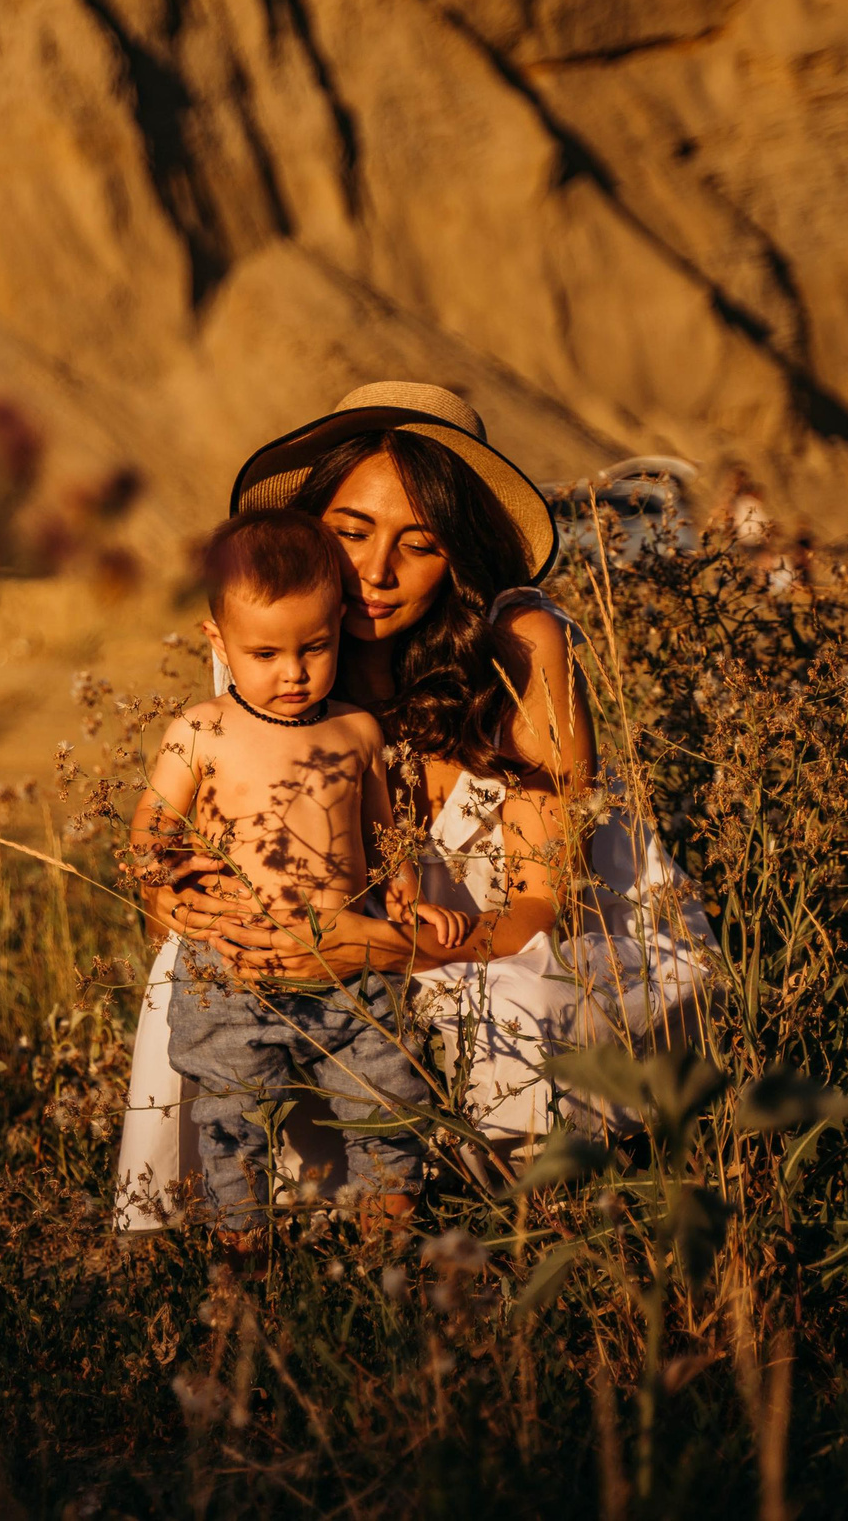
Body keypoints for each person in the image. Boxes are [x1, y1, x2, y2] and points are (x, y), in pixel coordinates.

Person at [112, 383, 708, 1232]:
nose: (374, 573)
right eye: (350, 533)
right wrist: (176, 900)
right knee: (194, 975)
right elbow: (190, 849)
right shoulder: (274, 656)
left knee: (510, 1016)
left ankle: (514, 1207)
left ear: (459, 555)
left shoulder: (520, 645)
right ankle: (254, 1218)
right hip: (331, 963)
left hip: (528, 949)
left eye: (418, 544)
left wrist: (387, 947)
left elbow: (546, 906)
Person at [127, 509, 468, 1235]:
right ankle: (241, 1240)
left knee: (388, 1087)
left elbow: (385, 839)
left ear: (340, 624)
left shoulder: (356, 730)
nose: (294, 672)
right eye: (265, 653)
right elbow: (148, 831)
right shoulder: (200, 729)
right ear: (217, 640)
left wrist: (411, 902)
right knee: (232, 1109)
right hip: (233, 969)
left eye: (315, 646)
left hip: (347, 961)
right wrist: (171, 871)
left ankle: (390, 1223)